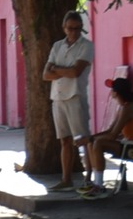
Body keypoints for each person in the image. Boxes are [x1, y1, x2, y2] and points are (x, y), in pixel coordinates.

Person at [41, 11, 95, 190]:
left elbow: (75, 72)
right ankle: (66, 179)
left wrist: (57, 68)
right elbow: (46, 74)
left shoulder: (86, 46)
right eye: (71, 28)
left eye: (78, 29)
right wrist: (62, 70)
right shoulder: (57, 46)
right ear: (64, 28)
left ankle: (89, 178)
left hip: (75, 97)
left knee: (82, 139)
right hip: (57, 97)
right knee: (64, 140)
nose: (74, 32)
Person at [80, 75, 133, 196]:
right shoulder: (125, 107)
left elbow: (112, 135)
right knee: (92, 143)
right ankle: (95, 182)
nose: (110, 92)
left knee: (98, 143)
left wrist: (91, 138)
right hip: (132, 147)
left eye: (112, 89)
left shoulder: (128, 109)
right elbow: (110, 130)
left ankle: (99, 186)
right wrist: (90, 138)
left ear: (116, 93)